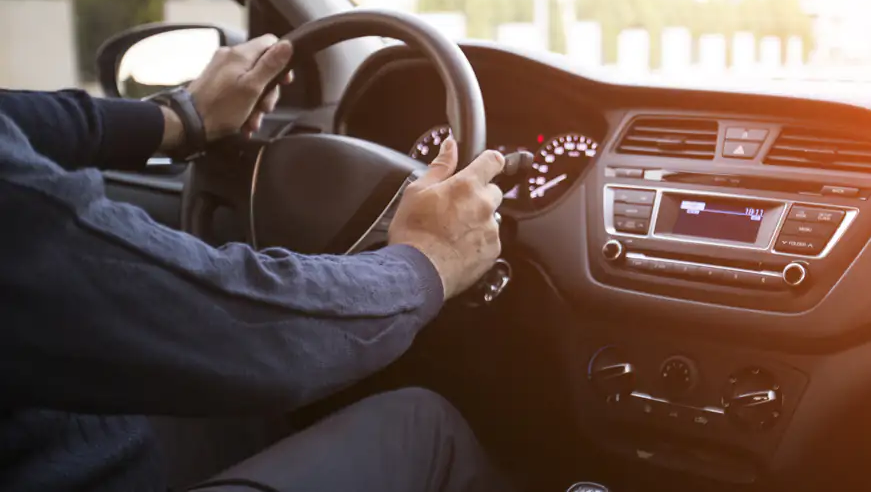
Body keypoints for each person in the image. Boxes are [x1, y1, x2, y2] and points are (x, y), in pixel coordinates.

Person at [0, 35, 512, 492]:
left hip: (56, 444)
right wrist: (423, 263)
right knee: (424, 429)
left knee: (262, 414)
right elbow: (215, 319)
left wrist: (183, 118)